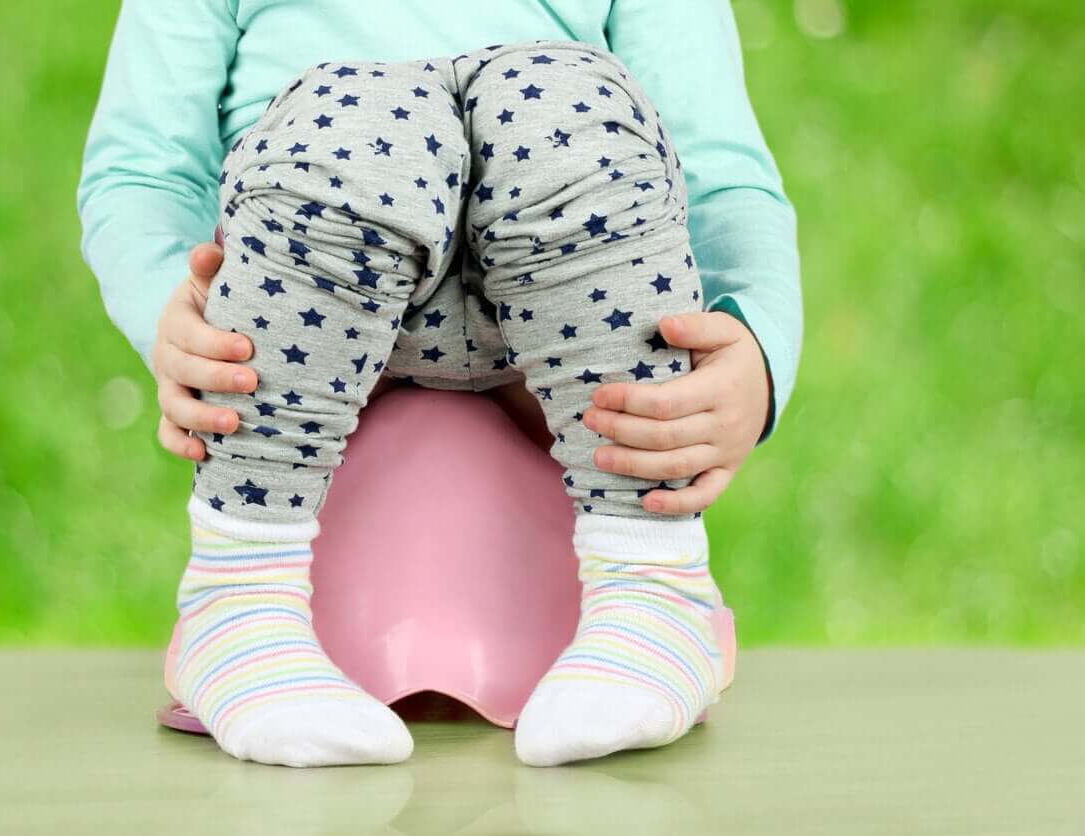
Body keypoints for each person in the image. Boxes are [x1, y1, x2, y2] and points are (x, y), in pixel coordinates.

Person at [77, 2, 802, 768]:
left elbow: (719, 176)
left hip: (559, 321)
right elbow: (142, 170)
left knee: (559, 101)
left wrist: (753, 347)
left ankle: (652, 585)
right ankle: (241, 598)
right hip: (317, 315)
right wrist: (171, 308)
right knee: (357, 120)